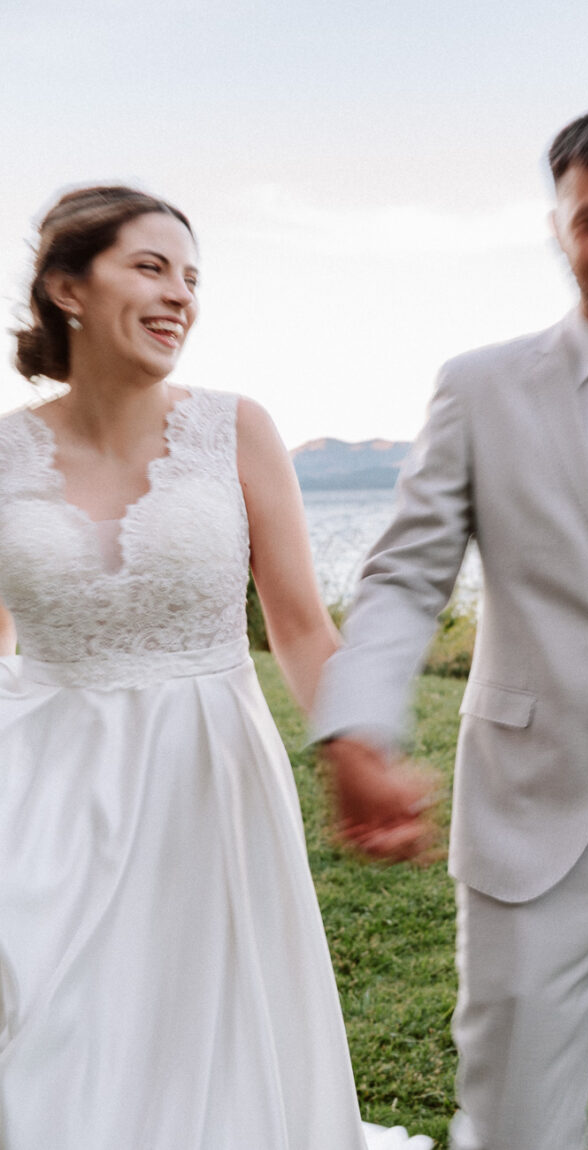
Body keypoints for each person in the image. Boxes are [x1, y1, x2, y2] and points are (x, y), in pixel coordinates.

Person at [314, 109, 588, 1149]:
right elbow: (401, 579)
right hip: (527, 825)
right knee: (514, 1127)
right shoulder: (477, 389)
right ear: (559, 227)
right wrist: (358, 730)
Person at [0, 185, 433, 1149]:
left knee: (205, 1041)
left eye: (191, 278)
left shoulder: (236, 429)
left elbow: (302, 629)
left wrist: (355, 750)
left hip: (207, 777)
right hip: (46, 793)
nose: (179, 296)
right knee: (55, 1041)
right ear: (68, 287)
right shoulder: (0, 456)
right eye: (150, 267)